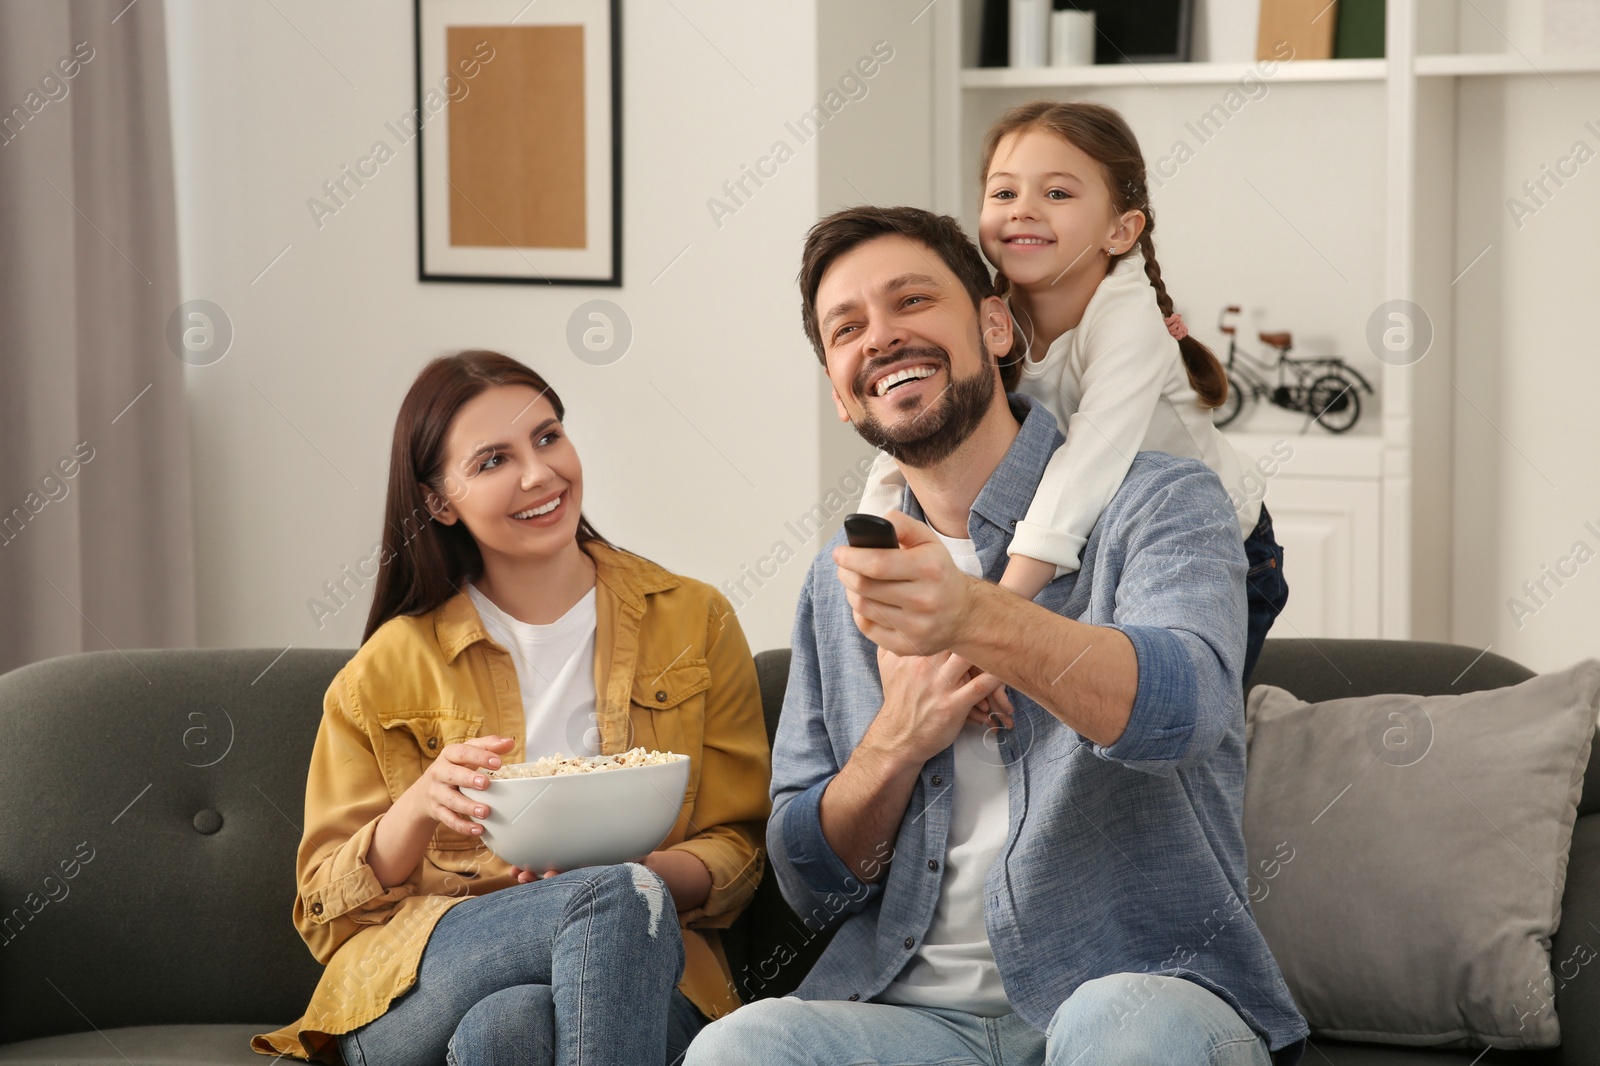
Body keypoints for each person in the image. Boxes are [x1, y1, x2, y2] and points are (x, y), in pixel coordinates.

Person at [685, 208, 1308, 1065]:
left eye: (912, 300)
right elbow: (810, 879)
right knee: (741, 1049)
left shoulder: (1161, 504)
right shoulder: (842, 583)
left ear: (993, 323)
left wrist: (976, 616)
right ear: (838, 389)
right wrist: (895, 744)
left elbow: (1190, 709)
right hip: (909, 1020)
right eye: (848, 329)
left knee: (1117, 1027)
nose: (883, 337)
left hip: (1140, 995)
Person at [252, 350, 771, 1066]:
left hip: (647, 976)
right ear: (439, 501)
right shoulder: (389, 667)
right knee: (612, 896)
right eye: (493, 460)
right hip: (427, 976)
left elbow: (739, 851)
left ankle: (614, 896)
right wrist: (419, 806)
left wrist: (643, 866)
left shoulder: (694, 621)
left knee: (516, 1025)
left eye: (549, 436)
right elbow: (323, 910)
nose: (539, 474)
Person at [858, 101, 1288, 691]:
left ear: (1121, 229)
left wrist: (987, 622)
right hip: (1090, 535)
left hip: (1209, 547)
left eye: (1057, 194)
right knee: (1067, 710)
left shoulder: (1127, 318)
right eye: (1003, 194)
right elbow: (918, 436)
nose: (1024, 210)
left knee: (1184, 727)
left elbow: (1091, 462)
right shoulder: (993, 317)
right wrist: (874, 537)